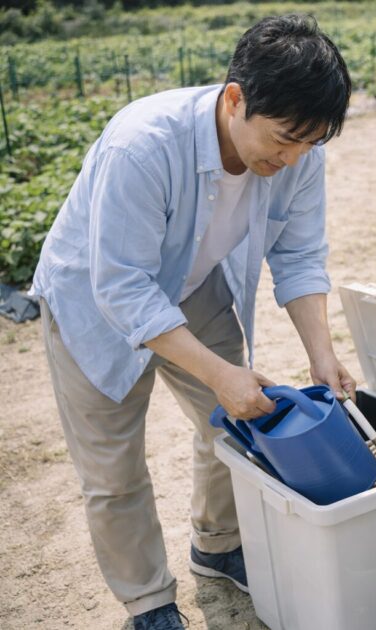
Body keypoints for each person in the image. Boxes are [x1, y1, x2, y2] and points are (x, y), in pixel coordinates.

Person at [31, 15, 354, 630]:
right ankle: (148, 602)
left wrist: (321, 354)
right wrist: (219, 374)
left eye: (308, 145)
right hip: (92, 297)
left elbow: (300, 255)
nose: (291, 160)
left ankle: (216, 544)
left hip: (195, 285)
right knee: (113, 470)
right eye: (284, 140)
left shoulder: (300, 154)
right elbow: (121, 283)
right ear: (236, 99)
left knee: (235, 427)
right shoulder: (144, 142)